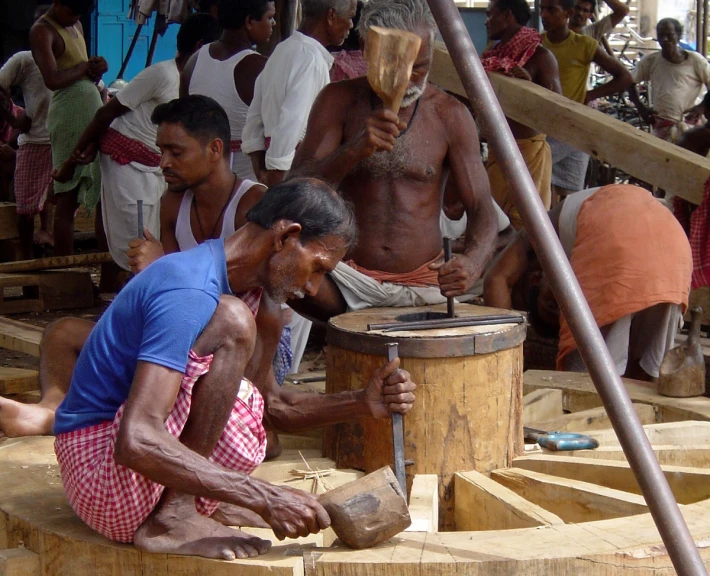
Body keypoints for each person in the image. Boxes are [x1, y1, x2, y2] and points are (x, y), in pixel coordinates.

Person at [289, 0, 497, 319]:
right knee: (282, 259)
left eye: (421, 67)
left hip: (427, 284)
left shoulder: (450, 115)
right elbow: (294, 190)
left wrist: (472, 262)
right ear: (367, 51)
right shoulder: (338, 101)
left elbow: (482, 207)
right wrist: (353, 151)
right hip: (348, 281)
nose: (411, 80)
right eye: (399, 67)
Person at [54, 14, 219, 276]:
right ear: (200, 46)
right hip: (126, 161)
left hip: (157, 166)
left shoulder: (197, 82)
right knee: (135, 233)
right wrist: (71, 162)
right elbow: (106, 113)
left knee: (153, 234)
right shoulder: (161, 74)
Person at [483, 184, 692, 382]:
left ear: (536, 278)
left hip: (628, 242)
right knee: (646, 378)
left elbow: (496, 279)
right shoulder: (573, 233)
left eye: (551, 305)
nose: (561, 311)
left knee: (584, 384)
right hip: (674, 251)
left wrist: (506, 366)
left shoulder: (541, 229)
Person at [242, 0, 357, 187]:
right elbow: (291, 125)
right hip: (291, 177)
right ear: (331, 16)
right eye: (350, 17)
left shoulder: (283, 48)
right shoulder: (311, 60)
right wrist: (276, 180)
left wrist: (262, 171)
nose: (351, 25)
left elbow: (254, 117)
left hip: (276, 173)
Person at [30, 0, 108, 256]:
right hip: (67, 112)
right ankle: (66, 266)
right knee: (67, 193)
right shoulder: (42, 30)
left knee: (99, 187)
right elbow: (52, 79)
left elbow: (83, 70)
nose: (73, 17)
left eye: (78, 14)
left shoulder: (76, 24)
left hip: (89, 108)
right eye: (70, 11)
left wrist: (96, 68)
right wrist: (85, 68)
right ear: (57, 2)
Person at [540, 0, 633, 200]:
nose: (544, 15)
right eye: (542, 9)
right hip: (543, 126)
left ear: (567, 13)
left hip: (573, 127)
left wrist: (590, 96)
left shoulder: (585, 43)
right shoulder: (535, 44)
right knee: (539, 186)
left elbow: (625, 77)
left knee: (569, 195)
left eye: (551, 10)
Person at [482, 0, 561, 229]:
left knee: (525, 227)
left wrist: (529, 91)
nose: (486, 22)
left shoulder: (541, 57)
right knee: (492, 222)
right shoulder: (493, 57)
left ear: (507, 15)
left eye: (490, 15)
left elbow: (556, 113)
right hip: (499, 150)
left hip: (528, 154)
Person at [182, 0, 277, 181]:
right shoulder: (259, 67)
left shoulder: (194, 60)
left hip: (200, 177)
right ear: (249, 21)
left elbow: (184, 117)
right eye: (270, 17)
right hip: (246, 183)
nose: (274, 24)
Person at [0, 5, 55, 258]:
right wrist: (13, 119)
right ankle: (27, 260)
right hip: (34, 142)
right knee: (25, 209)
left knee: (60, 203)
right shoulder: (24, 60)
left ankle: (51, 248)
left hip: (65, 142)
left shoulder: (75, 60)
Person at [629, 18, 710, 143]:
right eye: (661, 35)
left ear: (678, 36)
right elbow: (629, 82)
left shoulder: (695, 61)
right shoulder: (651, 61)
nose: (665, 39)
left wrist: (701, 107)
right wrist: (641, 107)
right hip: (662, 127)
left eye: (669, 35)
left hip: (690, 126)